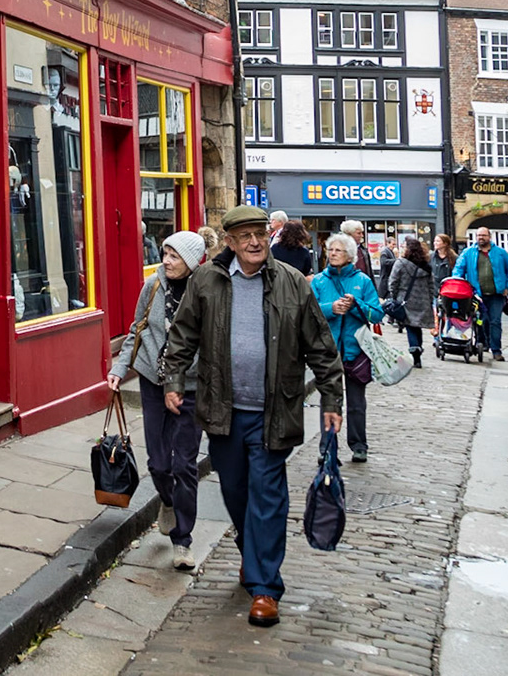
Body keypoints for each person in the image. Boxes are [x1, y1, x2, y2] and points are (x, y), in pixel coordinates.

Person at [158, 205, 344, 628]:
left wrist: (332, 399)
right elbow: (183, 334)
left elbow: (319, 344)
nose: (255, 242)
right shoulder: (207, 280)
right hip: (223, 410)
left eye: (260, 234)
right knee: (237, 493)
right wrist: (173, 380)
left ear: (268, 236)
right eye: (244, 237)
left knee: (267, 497)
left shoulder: (292, 283)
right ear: (230, 243)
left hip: (273, 411)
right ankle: (252, 551)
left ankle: (264, 587)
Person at [108, 229, 215, 572]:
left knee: (184, 464)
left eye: (174, 256)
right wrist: (120, 367)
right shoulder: (152, 285)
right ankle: (167, 502)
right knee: (157, 463)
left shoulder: (208, 290)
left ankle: (182, 541)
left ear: (192, 260)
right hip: (153, 382)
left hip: (190, 386)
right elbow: (137, 328)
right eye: (165, 254)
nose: (166, 261)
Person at [310, 233, 384, 464]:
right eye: (330, 250)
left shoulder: (362, 281)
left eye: (338, 250)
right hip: (328, 351)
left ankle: (359, 445)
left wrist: (355, 305)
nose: (332, 254)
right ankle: (327, 448)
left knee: (356, 403)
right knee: (329, 401)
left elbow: (377, 314)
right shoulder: (320, 281)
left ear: (350, 255)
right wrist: (331, 308)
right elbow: (308, 312)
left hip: (356, 350)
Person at [452, 228, 508, 361]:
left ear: (489, 236)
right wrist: (457, 284)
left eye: (483, 235)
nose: (480, 238)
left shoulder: (500, 253)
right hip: (477, 295)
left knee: (495, 321)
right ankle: (482, 343)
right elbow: (458, 269)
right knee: (480, 321)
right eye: (478, 235)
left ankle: (496, 350)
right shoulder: (468, 253)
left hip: (496, 294)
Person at [385, 235, 434, 369]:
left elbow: (393, 282)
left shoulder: (400, 263)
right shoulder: (426, 266)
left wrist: (394, 298)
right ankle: (418, 350)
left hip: (405, 301)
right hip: (422, 301)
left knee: (410, 327)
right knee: (416, 326)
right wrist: (430, 300)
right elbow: (431, 285)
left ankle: (415, 351)